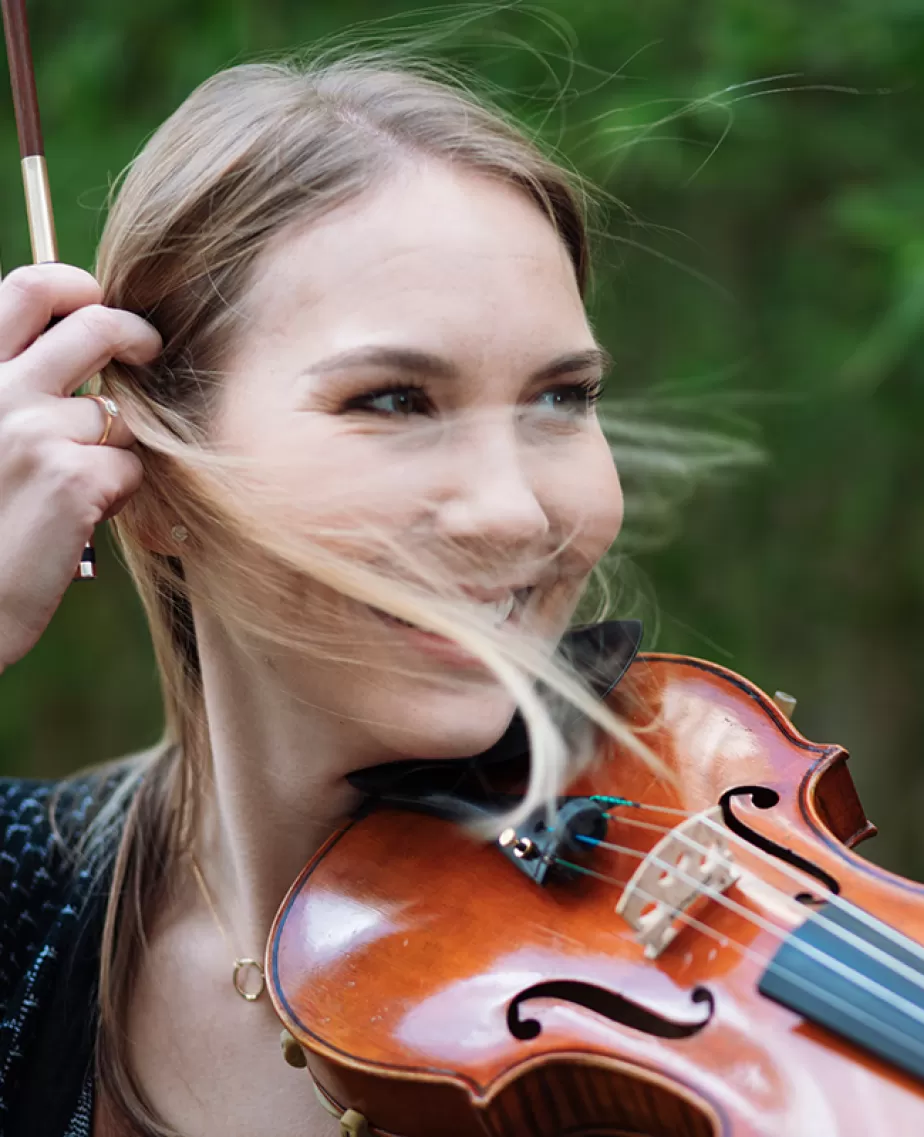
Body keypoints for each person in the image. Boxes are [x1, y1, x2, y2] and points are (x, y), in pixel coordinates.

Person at [0, 54, 660, 1137]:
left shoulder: (682, 965)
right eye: (395, 400)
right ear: (153, 473)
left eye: (561, 396)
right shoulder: (23, 900)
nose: (511, 512)